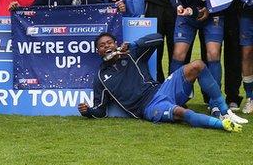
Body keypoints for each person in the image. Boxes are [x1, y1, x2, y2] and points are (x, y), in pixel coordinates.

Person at [78, 32, 247, 132]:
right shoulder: (101, 77)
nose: (107, 46)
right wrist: (87, 111)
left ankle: (224, 111)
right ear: (98, 51)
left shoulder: (132, 54)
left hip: (163, 89)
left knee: (197, 65)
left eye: (109, 42)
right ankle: (221, 124)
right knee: (181, 113)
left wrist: (134, 46)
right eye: (102, 45)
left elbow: (158, 38)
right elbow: (100, 110)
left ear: (116, 44)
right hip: (148, 108)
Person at [167, 0, 226, 116]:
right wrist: (176, 5)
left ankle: (216, 101)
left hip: (213, 12)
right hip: (187, 14)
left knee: (213, 54)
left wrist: (209, 9)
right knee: (178, 53)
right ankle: (174, 97)